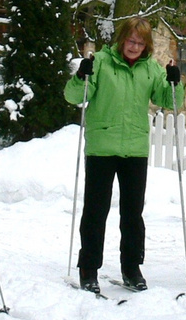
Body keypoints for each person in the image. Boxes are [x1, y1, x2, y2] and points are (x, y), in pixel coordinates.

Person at [65, 16, 179, 293]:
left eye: (140, 43)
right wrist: (82, 75)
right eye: (131, 40)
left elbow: (167, 99)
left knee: (132, 213)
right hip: (102, 146)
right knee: (95, 210)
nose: (134, 46)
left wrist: (175, 83)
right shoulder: (102, 63)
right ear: (121, 39)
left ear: (146, 46)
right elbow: (74, 97)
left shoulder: (150, 68)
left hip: (134, 148)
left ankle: (132, 268)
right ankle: (88, 268)